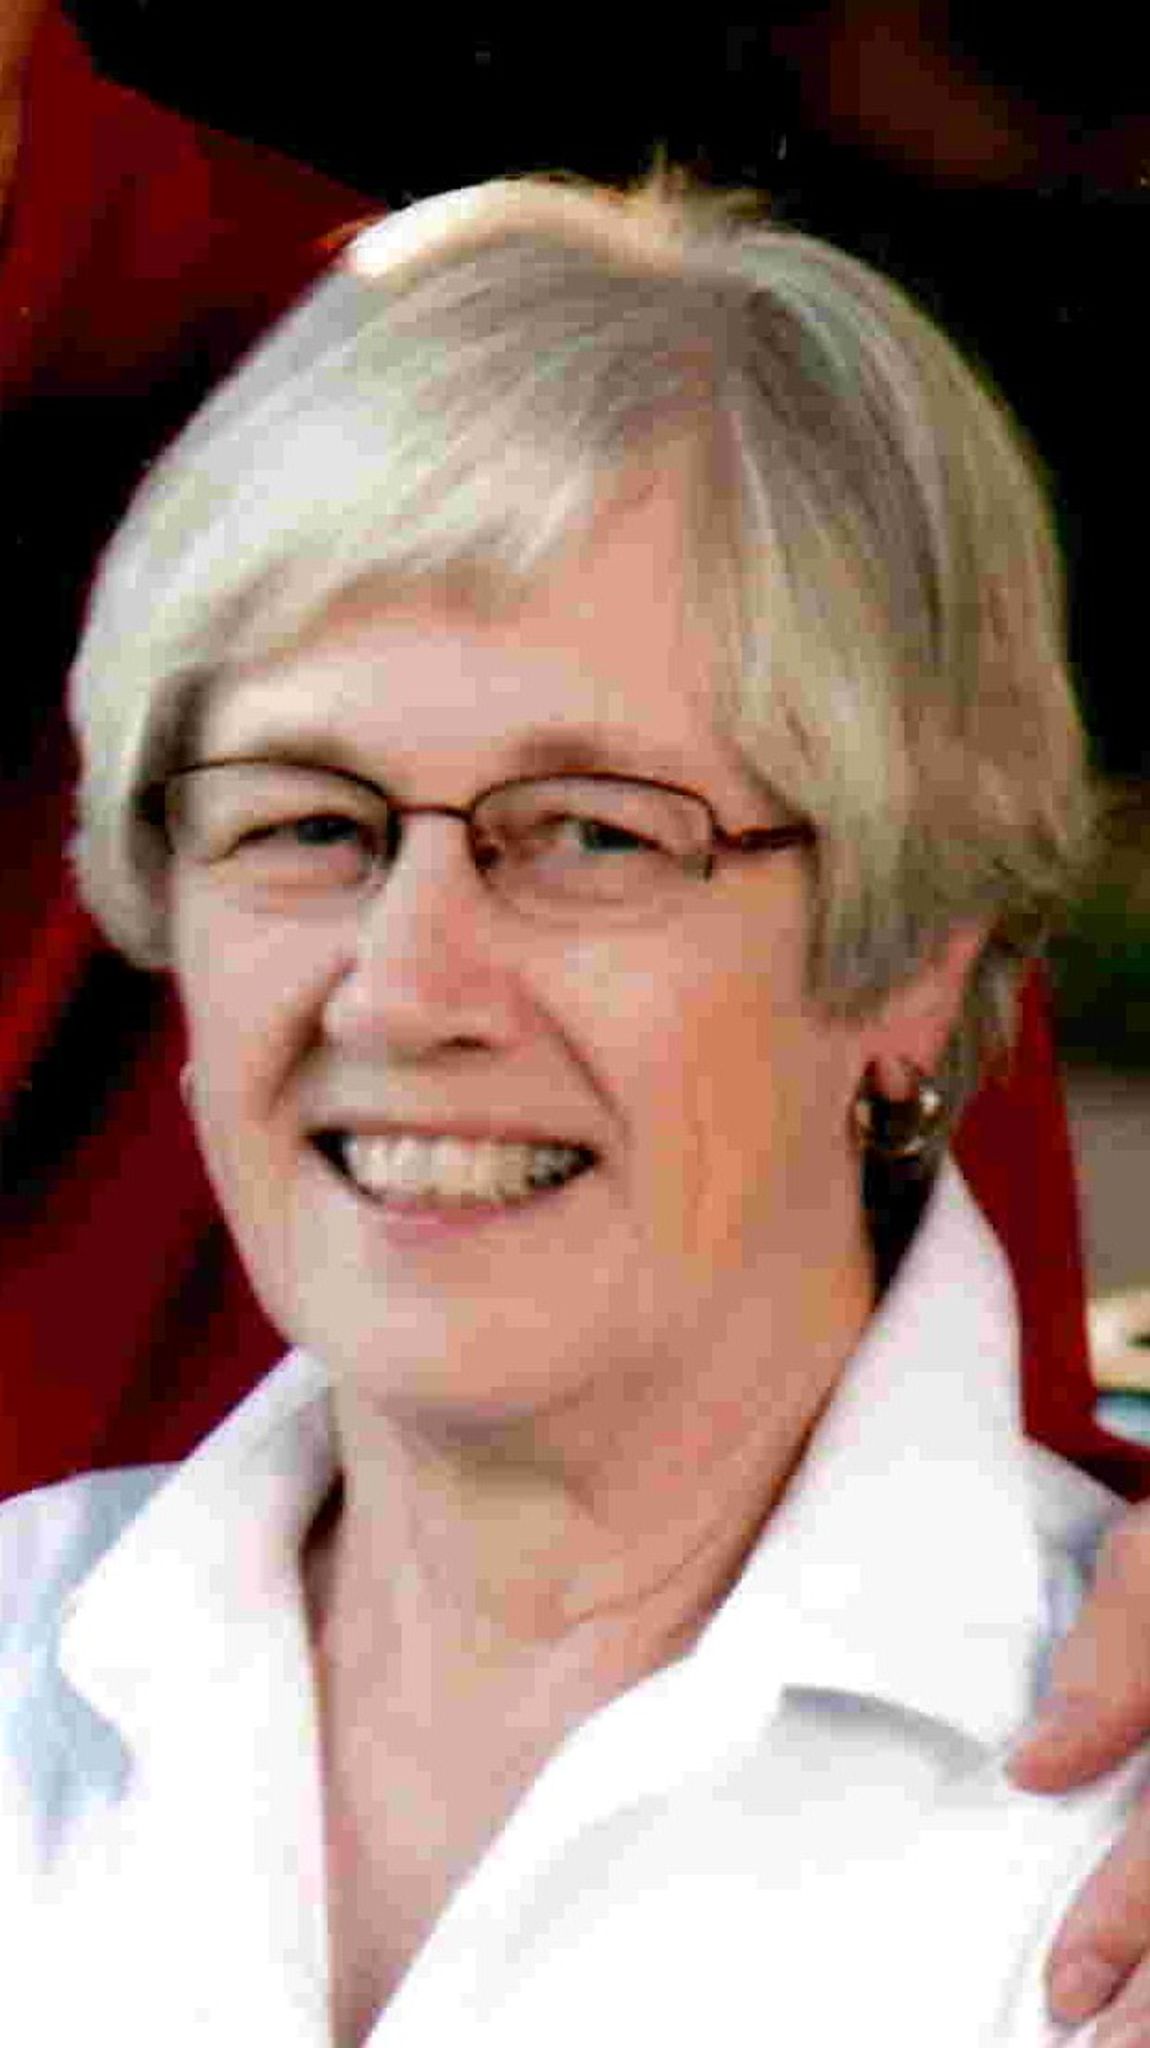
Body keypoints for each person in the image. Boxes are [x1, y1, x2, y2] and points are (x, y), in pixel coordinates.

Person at [0, 167, 1142, 2043]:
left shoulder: (1103, 1843)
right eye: (305, 822)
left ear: (913, 948)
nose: (403, 986)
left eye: (594, 835)